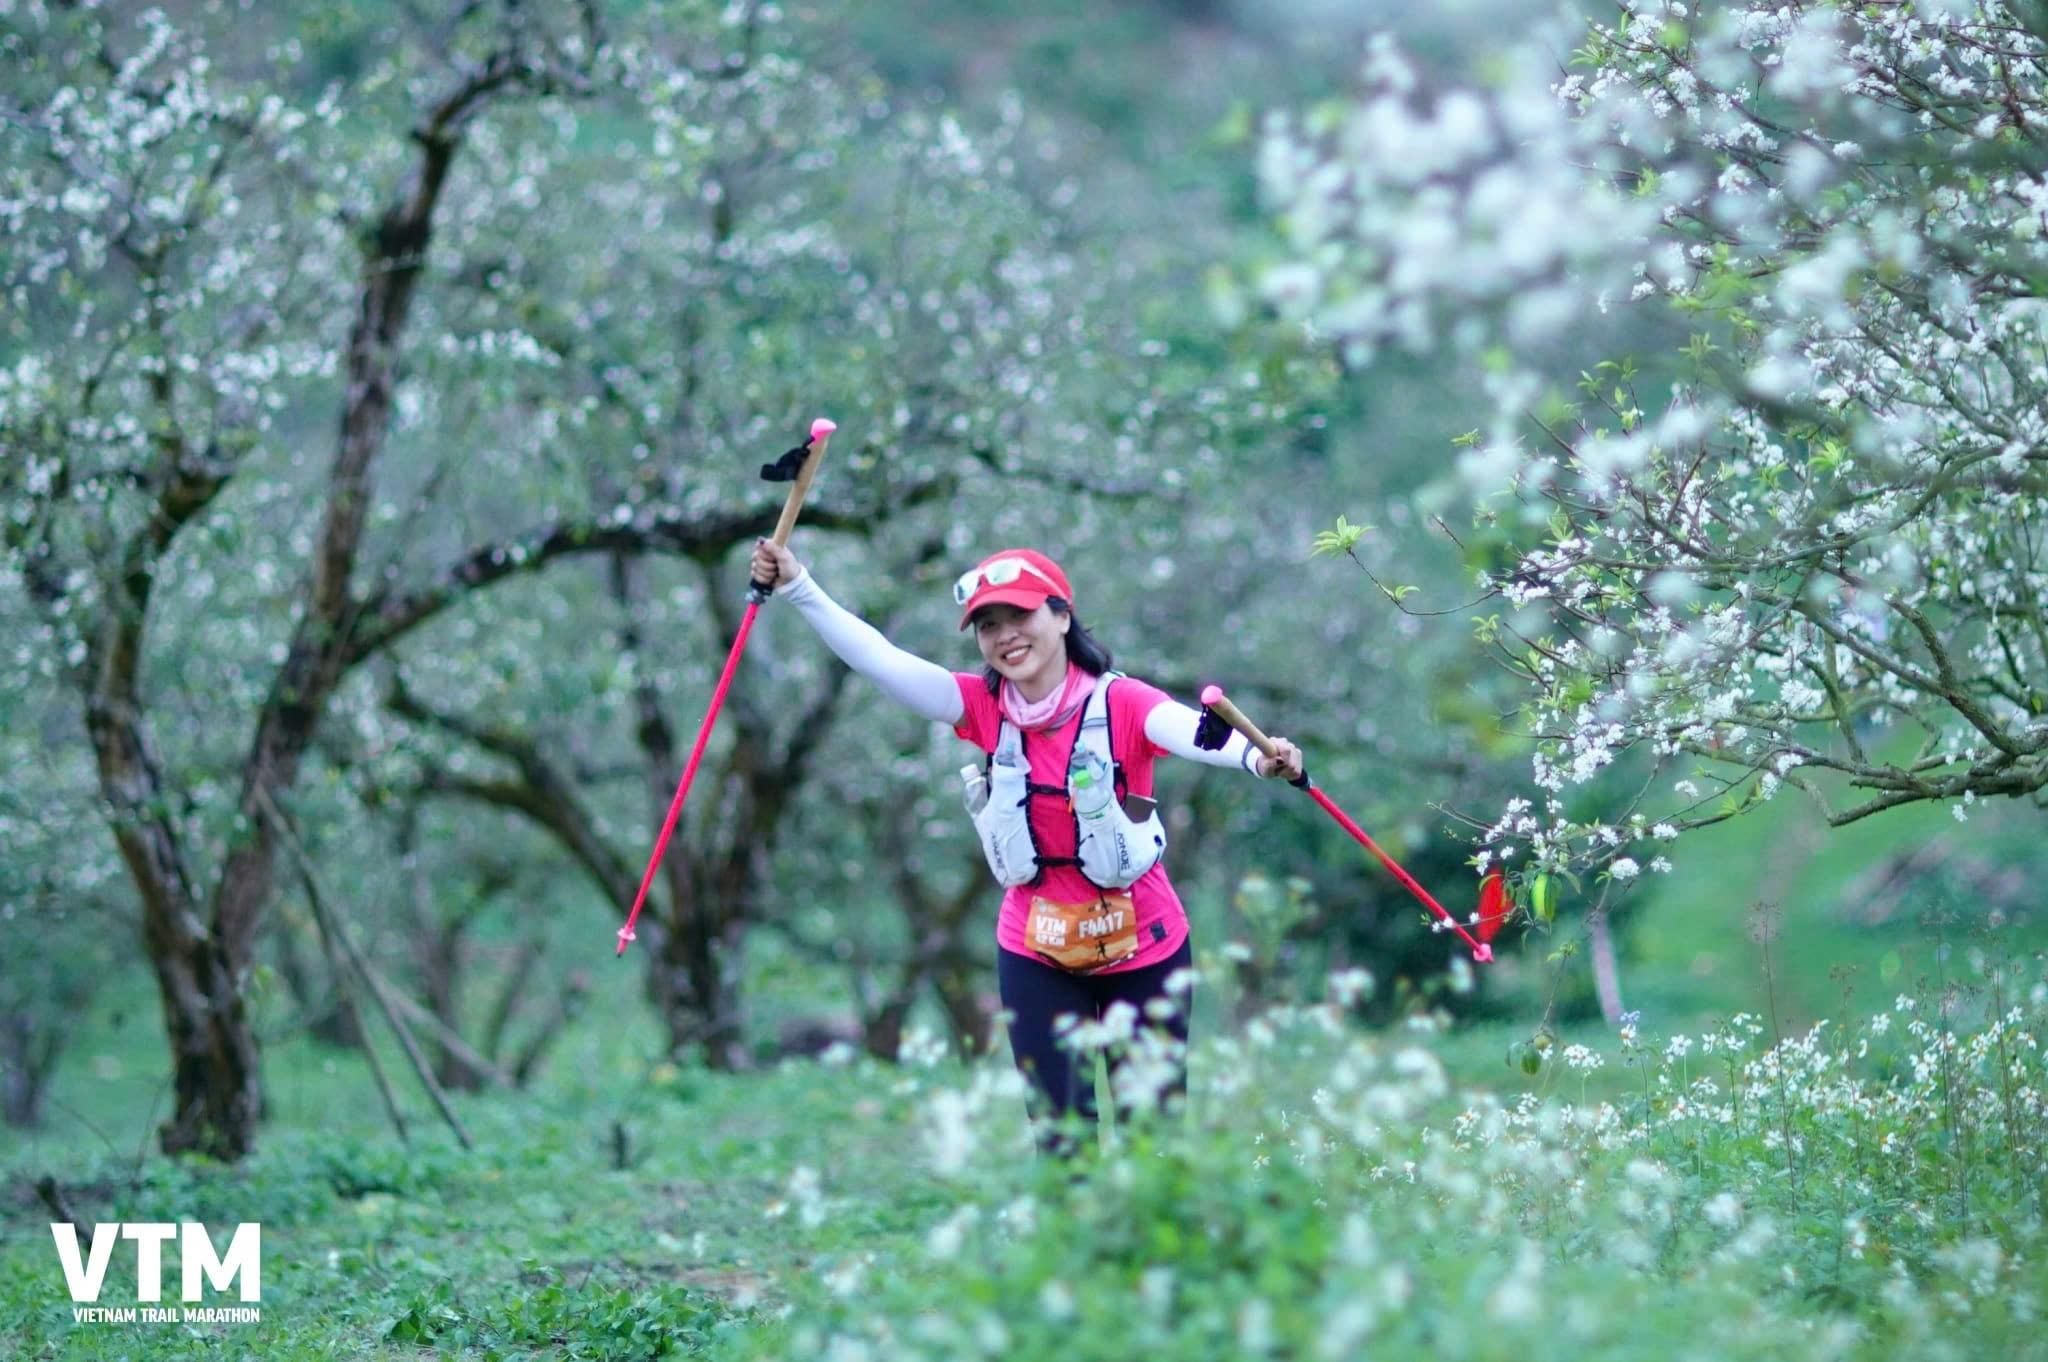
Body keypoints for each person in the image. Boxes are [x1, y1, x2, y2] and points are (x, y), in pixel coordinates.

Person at [748, 539, 1304, 1157]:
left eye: (1021, 617)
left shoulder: (1123, 701)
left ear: (1062, 617)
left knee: (1154, 1137)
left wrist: (1257, 756)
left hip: (1144, 947)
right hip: (1035, 949)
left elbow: (1190, 729)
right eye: (989, 626)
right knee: (1062, 1139)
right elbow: (880, 660)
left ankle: (1150, 1253)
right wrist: (799, 587)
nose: (1006, 636)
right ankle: (1077, 1250)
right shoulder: (981, 708)